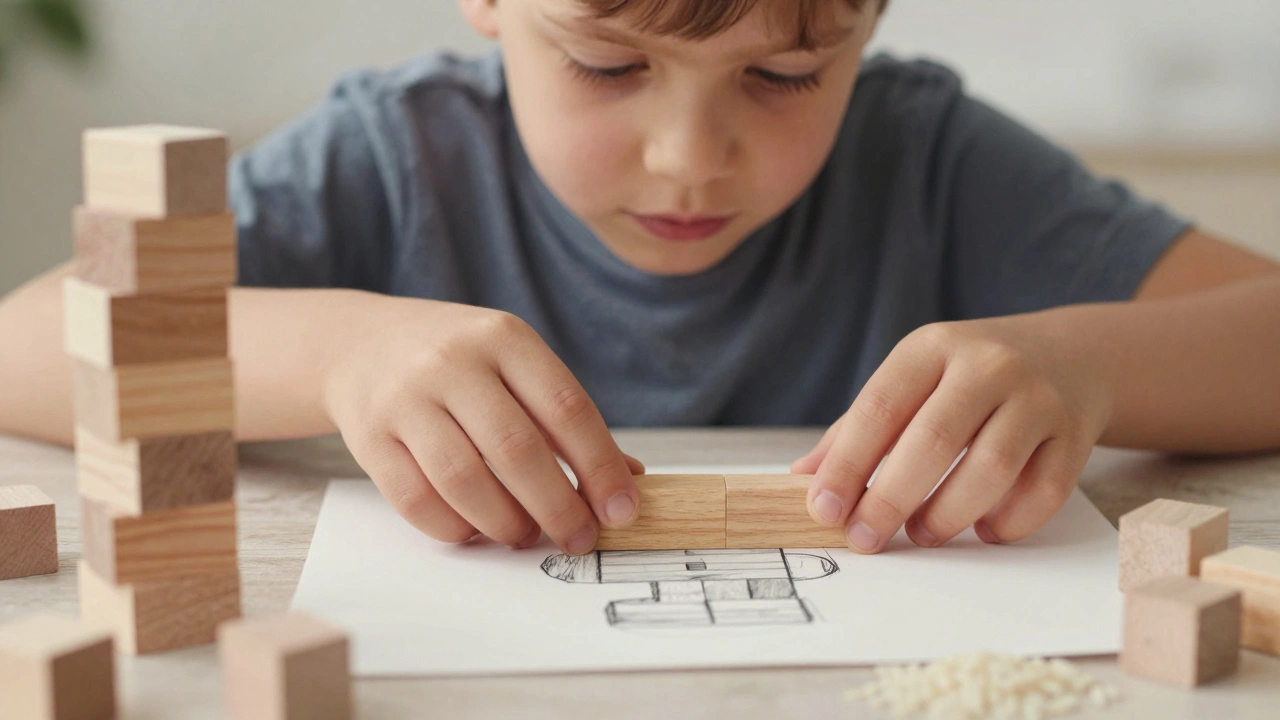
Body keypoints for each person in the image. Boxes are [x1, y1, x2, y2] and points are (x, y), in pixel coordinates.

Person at [2, 0, 1278, 559]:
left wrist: (1091, 365)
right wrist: (334, 352)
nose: (688, 160)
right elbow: (23, 346)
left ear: (867, 26)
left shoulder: (929, 158)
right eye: (608, 68)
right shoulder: (388, 157)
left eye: (782, 78)